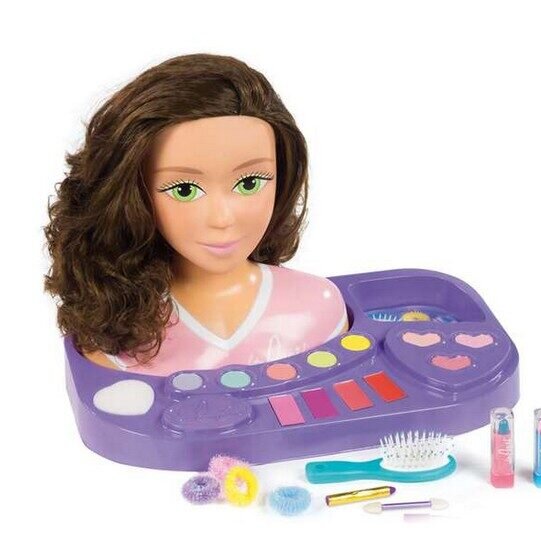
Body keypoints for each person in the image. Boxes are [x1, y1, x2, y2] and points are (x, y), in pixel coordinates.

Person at [44, 54, 348, 376]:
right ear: (133, 194)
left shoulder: (318, 306)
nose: (222, 218)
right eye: (185, 189)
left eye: (249, 183)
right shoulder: (116, 331)